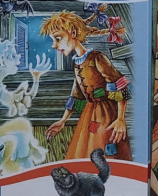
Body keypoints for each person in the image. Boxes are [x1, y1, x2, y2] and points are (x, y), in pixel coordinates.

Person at [43, 11, 132, 160]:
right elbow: (77, 96)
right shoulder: (77, 64)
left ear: (73, 33)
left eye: (58, 38)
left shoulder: (97, 58)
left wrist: (121, 118)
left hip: (107, 115)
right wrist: (63, 120)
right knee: (85, 150)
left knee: (105, 149)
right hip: (89, 114)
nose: (54, 45)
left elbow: (119, 85)